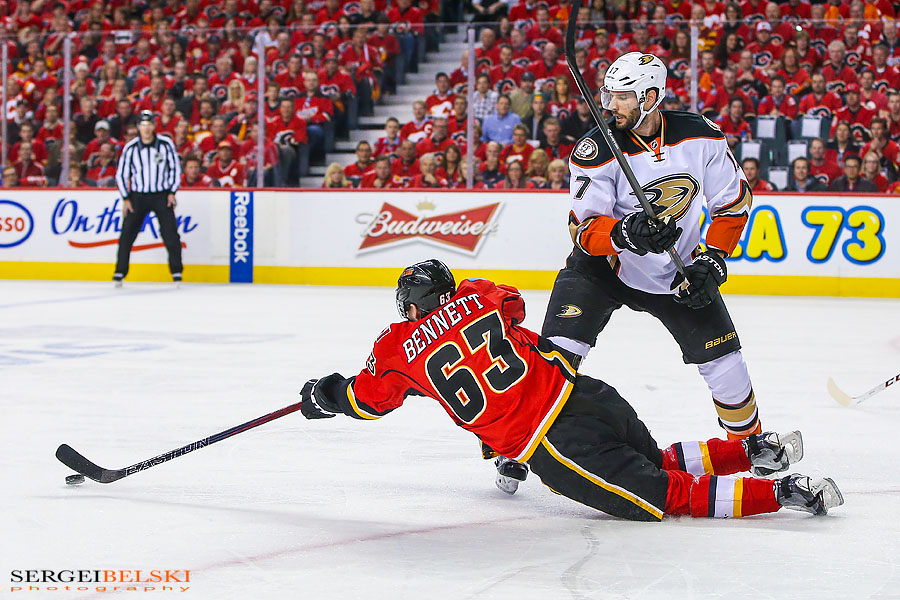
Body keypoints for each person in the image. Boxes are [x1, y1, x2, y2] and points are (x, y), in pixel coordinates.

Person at [298, 259, 844, 521]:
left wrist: (326, 394)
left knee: (662, 494)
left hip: (551, 443)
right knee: (652, 459)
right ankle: (755, 450)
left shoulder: (396, 350)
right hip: (586, 394)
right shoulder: (480, 294)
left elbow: (367, 400)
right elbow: (513, 309)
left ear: (410, 304)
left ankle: (783, 492)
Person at [533, 52, 765, 487]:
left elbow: (732, 204)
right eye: (608, 95)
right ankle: (516, 444)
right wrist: (625, 232)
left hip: (677, 272)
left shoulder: (701, 135)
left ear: (652, 97)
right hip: (604, 268)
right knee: (556, 357)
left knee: (726, 362)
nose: (610, 105)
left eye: (622, 97)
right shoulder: (596, 148)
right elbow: (583, 229)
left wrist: (712, 258)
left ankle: (751, 447)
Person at [113, 110, 183, 287]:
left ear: (154, 126)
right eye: (143, 125)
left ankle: (176, 272)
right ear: (138, 127)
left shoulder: (165, 144)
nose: (146, 128)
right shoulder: (131, 148)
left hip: (161, 195)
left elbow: (175, 169)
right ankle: (120, 272)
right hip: (138, 196)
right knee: (127, 234)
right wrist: (126, 197)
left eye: (149, 124)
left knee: (171, 234)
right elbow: (122, 174)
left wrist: (172, 192)